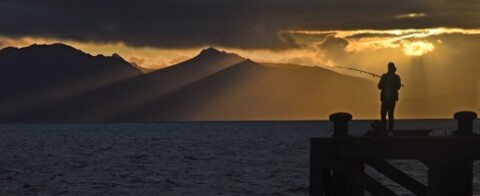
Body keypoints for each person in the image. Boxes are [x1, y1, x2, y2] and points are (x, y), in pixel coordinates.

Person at [378, 62, 401, 133]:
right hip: (388, 99)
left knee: (385, 115)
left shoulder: (384, 76)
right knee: (388, 115)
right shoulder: (396, 77)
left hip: (387, 99)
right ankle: (388, 130)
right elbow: (398, 87)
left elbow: (379, 86)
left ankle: (386, 130)